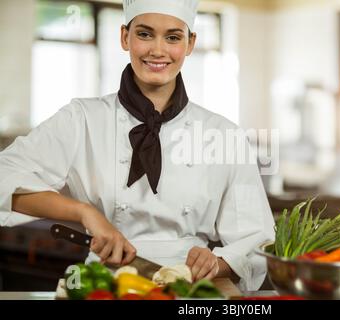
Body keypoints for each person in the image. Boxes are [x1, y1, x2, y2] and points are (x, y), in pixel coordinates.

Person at [0, 0, 275, 291]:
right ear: (124, 37)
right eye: (145, 34)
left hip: (191, 287)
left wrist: (216, 263)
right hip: (103, 283)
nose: (158, 50)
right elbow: (5, 178)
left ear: (190, 43)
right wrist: (85, 213)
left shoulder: (223, 133)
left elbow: (257, 236)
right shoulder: (81, 119)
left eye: (173, 37)